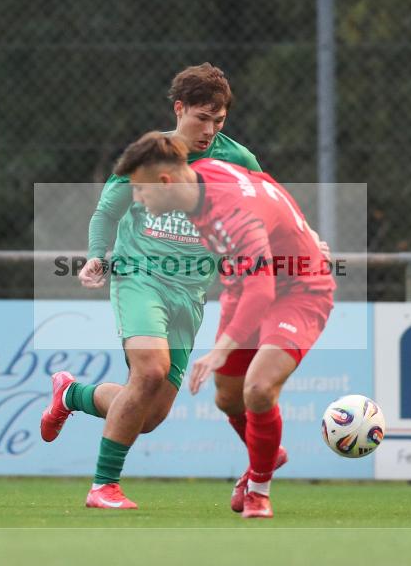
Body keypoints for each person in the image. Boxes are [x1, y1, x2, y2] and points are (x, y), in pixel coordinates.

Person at [39, 63, 291, 510]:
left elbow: (272, 207)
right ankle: (103, 487)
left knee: (150, 414)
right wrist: (98, 253)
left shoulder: (239, 161)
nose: (209, 130)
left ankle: (71, 394)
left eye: (218, 121)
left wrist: (304, 238)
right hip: (139, 278)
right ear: (179, 109)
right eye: (201, 118)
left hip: (190, 295)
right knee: (150, 372)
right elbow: (107, 212)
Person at [113, 131, 335, 518]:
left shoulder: (232, 214)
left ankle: (258, 488)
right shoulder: (205, 172)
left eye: (139, 191)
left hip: (298, 289)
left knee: (259, 389)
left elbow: (263, 291)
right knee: (228, 399)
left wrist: (219, 350)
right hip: (242, 285)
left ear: (164, 183)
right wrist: (303, 228)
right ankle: (269, 453)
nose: (137, 199)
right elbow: (265, 184)